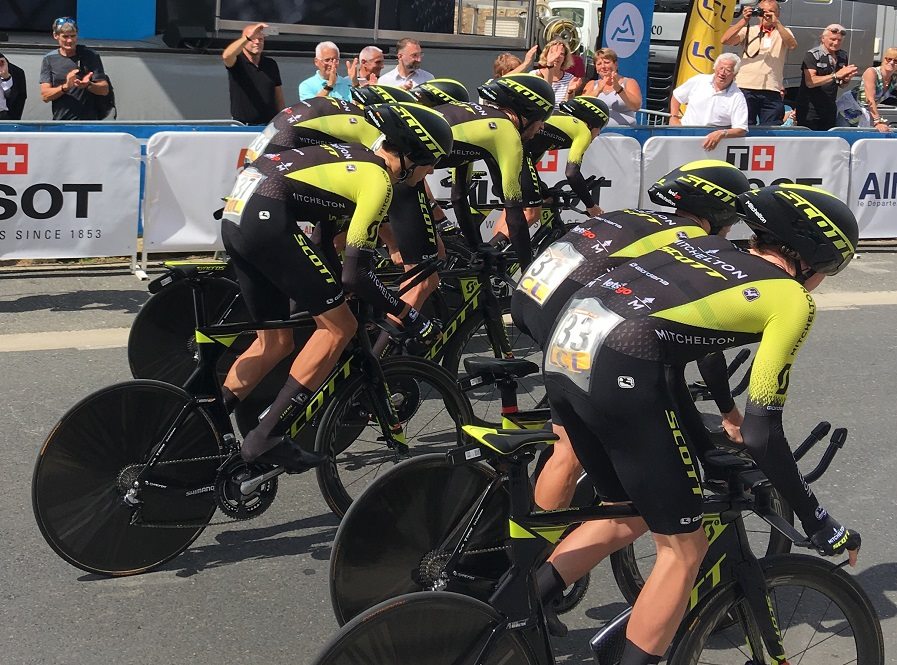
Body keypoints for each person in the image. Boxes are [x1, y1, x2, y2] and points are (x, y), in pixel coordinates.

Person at [536, 182, 861, 664]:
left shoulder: (703, 248)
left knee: (627, 512)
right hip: (620, 367)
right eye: (831, 270)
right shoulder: (792, 299)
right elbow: (762, 431)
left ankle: (516, 611)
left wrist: (705, 442)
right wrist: (817, 521)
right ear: (812, 259)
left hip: (566, 350)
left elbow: (683, 356)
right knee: (684, 550)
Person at [220, 103, 452, 470]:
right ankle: (266, 438)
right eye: (432, 162)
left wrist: (336, 288)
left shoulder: (356, 157)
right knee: (339, 327)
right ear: (412, 156)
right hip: (265, 216)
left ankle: (207, 423)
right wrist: (409, 315)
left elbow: (329, 240)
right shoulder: (378, 182)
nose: (433, 171)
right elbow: (355, 275)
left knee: (274, 342)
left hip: (240, 211)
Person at [511, 160, 751, 511]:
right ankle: (534, 539)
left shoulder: (638, 214)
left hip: (528, 298)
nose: (727, 234)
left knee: (583, 402)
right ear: (717, 215)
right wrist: (729, 413)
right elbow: (704, 351)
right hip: (562, 314)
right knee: (571, 448)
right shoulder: (693, 243)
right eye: (730, 224)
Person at [439, 73, 555, 268]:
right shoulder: (507, 134)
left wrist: (476, 249)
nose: (543, 126)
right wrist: (526, 270)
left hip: (399, 166)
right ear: (526, 114)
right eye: (542, 119)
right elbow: (515, 217)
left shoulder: (478, 123)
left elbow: (458, 196)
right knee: (423, 278)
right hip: (398, 168)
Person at [491, 95, 611, 244]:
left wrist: (544, 192)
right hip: (515, 150)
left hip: (503, 148)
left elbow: (529, 166)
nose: (598, 135)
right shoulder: (583, 130)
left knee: (514, 208)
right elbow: (572, 173)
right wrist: (591, 206)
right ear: (593, 124)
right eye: (600, 130)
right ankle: (493, 250)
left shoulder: (557, 126)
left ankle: (495, 251)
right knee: (531, 212)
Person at [721, 0, 797, 126]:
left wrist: (776, 23)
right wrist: (744, 20)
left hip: (771, 88)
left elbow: (792, 45)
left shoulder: (784, 31)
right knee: (743, 125)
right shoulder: (749, 30)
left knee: (772, 127)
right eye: (763, 12)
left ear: (778, 14)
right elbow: (725, 40)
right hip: (745, 86)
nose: (766, 15)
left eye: (771, 12)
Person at [670, 53, 749, 151]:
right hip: (685, 136)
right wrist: (674, 117)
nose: (722, 73)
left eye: (728, 70)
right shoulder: (699, 80)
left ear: (735, 74)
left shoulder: (737, 96)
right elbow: (677, 96)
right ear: (715, 67)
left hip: (713, 145)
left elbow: (741, 129)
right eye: (720, 68)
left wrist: (721, 133)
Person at [39, 16, 110, 120]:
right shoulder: (49, 59)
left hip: (89, 123)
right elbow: (45, 96)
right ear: (56, 35)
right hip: (61, 122)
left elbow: (104, 90)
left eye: (73, 36)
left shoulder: (90, 55)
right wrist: (66, 87)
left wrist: (88, 85)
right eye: (65, 36)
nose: (70, 40)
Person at [796, 24, 858, 131]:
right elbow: (810, 82)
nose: (836, 43)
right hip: (810, 108)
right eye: (832, 39)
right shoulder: (812, 55)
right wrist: (836, 75)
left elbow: (841, 85)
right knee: (808, 138)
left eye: (839, 40)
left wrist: (846, 80)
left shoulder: (842, 56)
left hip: (829, 107)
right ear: (823, 38)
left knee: (827, 138)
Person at [222, 22, 285, 126]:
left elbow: (278, 97)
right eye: (252, 39)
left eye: (260, 39)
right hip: (242, 126)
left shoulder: (270, 64)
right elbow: (226, 56)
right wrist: (248, 36)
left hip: (268, 125)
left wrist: (283, 120)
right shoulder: (237, 61)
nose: (257, 42)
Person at [837, 46, 897, 131]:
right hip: (847, 112)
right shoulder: (872, 72)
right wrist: (878, 121)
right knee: (843, 137)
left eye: (896, 61)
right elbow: (870, 99)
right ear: (883, 59)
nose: (891, 62)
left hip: (864, 115)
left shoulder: (894, 79)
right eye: (889, 59)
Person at [582, 47, 642, 127]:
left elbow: (636, 107)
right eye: (599, 64)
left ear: (615, 65)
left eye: (606, 62)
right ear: (596, 68)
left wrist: (619, 89)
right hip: (597, 132)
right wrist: (597, 90)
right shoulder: (591, 84)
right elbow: (582, 108)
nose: (603, 66)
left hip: (623, 132)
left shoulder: (629, 82)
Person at [533, 38, 580, 109]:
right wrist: (550, 65)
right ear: (546, 55)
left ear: (565, 58)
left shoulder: (570, 78)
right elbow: (544, 98)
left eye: (561, 54)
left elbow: (568, 106)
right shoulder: (535, 74)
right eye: (553, 53)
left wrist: (570, 91)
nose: (557, 56)